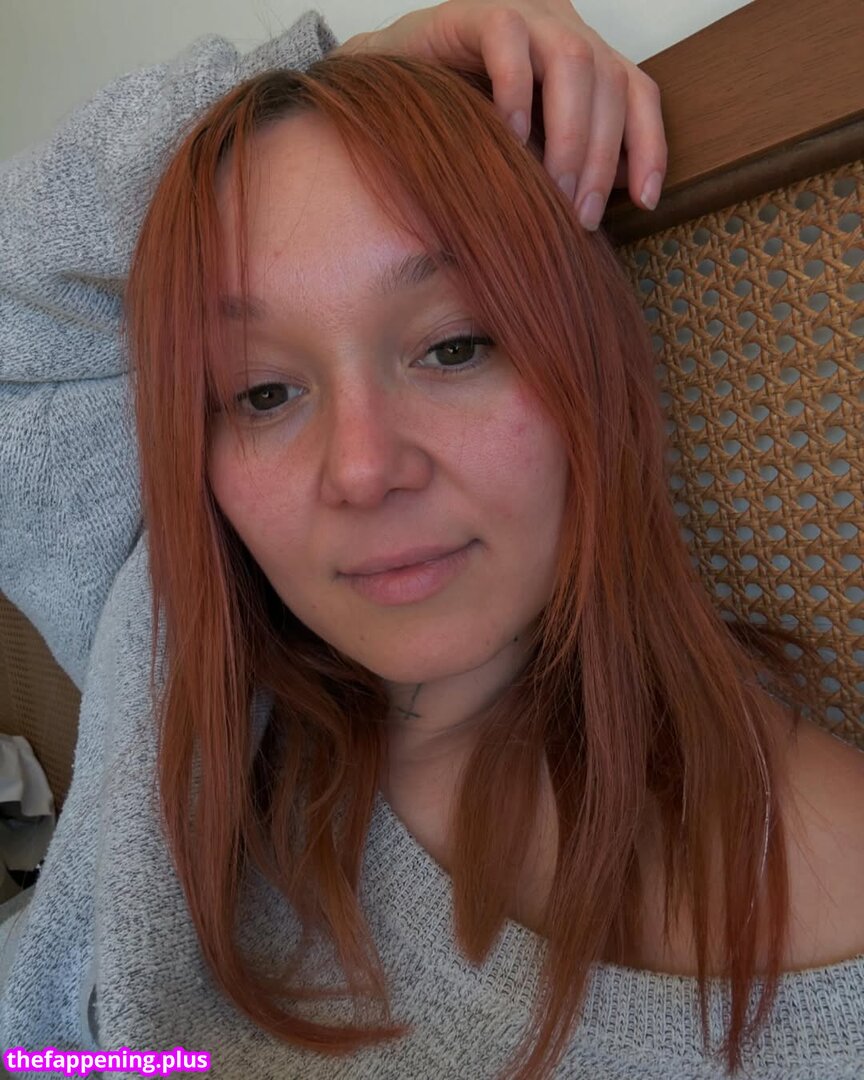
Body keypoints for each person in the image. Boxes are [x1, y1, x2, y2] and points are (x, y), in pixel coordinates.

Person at [1, 3, 862, 1079]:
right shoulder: (172, 650)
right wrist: (333, 71)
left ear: (592, 371)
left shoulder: (827, 898)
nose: (363, 470)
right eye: (262, 391)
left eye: (454, 347)